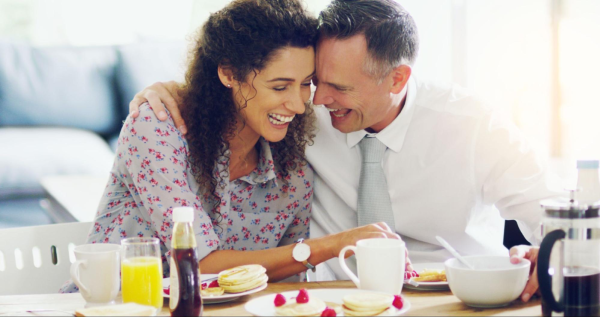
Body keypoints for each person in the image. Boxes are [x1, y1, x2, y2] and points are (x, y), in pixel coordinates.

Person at [130, 0, 558, 301]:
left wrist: (548, 253)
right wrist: (167, 90)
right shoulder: (297, 117)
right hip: (336, 299)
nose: (313, 101)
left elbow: (563, 221)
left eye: (337, 87)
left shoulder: (473, 124)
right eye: (317, 81)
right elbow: (243, 89)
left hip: (456, 298)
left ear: (396, 79)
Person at [61, 0, 408, 293]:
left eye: (305, 84)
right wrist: (332, 245)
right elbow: (200, 262)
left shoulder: (294, 169)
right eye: (280, 86)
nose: (300, 104)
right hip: (112, 308)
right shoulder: (159, 129)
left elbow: (286, 279)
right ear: (228, 74)